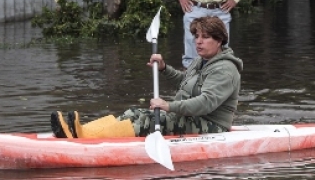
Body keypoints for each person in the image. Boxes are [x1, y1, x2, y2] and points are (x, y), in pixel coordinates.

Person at [51, 16, 243, 138]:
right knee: (133, 113)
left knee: (149, 121)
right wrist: (164, 68)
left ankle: (87, 136)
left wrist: (169, 106)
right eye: (197, 36)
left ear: (219, 41)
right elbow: (185, 82)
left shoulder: (225, 69)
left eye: (205, 37)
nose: (199, 42)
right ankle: (82, 131)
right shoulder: (202, 60)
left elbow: (206, 103)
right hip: (190, 116)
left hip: (211, 125)